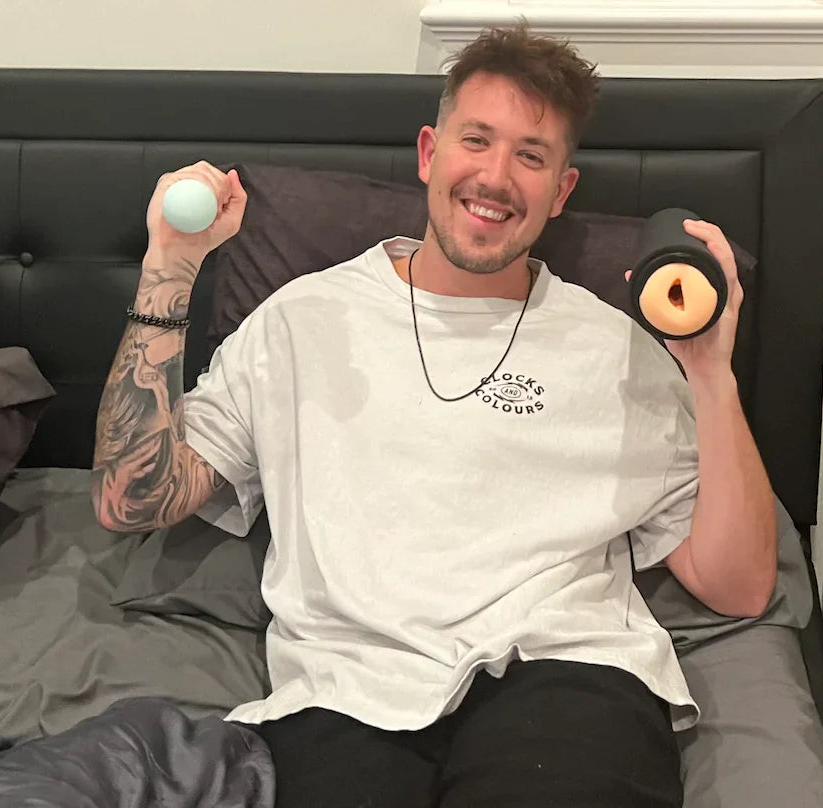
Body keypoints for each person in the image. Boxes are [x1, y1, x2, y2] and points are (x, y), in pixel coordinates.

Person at [90, 22, 778, 808]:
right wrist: (170, 268)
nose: (495, 177)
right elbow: (130, 500)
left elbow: (739, 587)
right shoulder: (299, 322)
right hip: (348, 688)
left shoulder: (616, 348)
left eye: (530, 156)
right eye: (476, 140)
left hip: (566, 676)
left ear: (561, 192)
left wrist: (710, 374)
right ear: (429, 152)